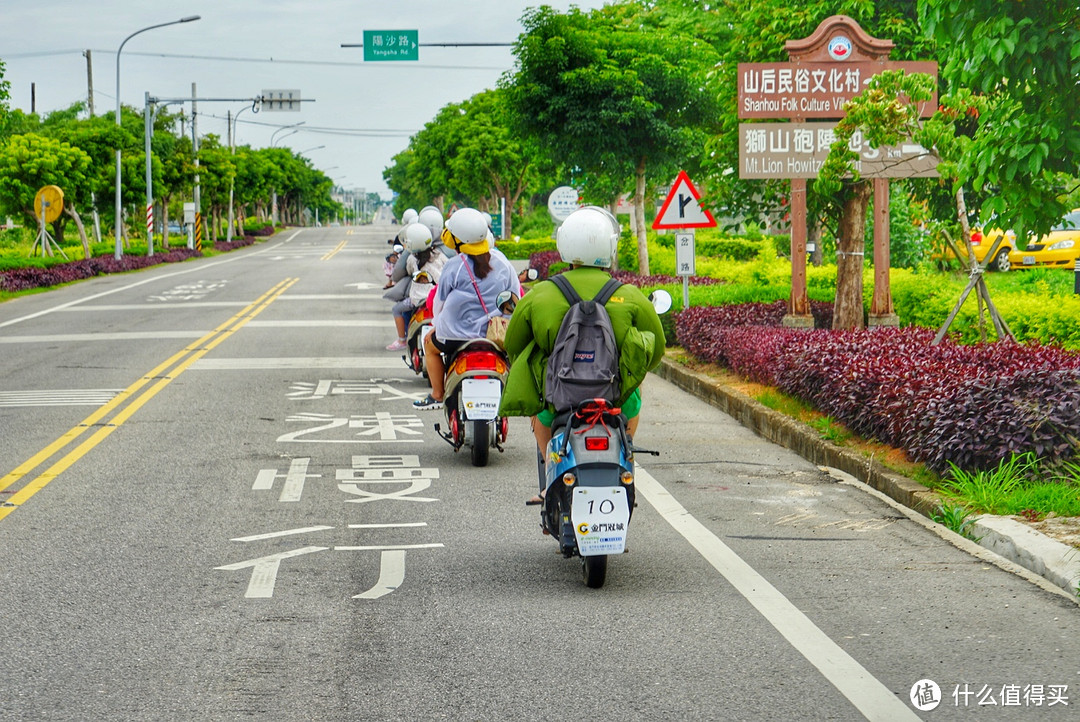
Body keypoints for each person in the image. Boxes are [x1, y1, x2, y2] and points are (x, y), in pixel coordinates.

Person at [499, 206, 666, 494]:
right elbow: (658, 348)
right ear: (610, 248)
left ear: (564, 246)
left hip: (558, 400)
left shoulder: (541, 294)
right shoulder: (629, 295)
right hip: (615, 398)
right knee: (634, 401)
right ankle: (623, 459)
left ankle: (551, 474)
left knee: (541, 417)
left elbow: (513, 345)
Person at [413, 208, 519, 410]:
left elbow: (439, 302)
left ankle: (437, 394)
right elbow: (515, 298)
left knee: (430, 346)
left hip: (454, 336)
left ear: (459, 239)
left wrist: (437, 326)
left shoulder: (454, 266)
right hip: (493, 335)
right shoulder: (503, 263)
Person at [386, 224, 447, 351]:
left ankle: (401, 340)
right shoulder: (439, 255)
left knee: (396, 309)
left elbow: (408, 272)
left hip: (416, 300)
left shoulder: (411, 259)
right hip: (438, 297)